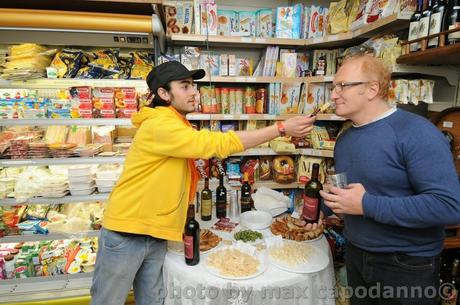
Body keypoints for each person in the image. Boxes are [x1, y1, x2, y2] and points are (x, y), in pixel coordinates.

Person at [90, 60, 316, 305]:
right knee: (108, 300)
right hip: (128, 231)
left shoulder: (175, 122)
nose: (194, 92)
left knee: (153, 299)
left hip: (154, 231)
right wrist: (280, 128)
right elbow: (218, 144)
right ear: (164, 94)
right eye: (185, 86)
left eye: (193, 86)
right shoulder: (160, 125)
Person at [320, 53, 460, 305]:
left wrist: (366, 205)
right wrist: (326, 206)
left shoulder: (417, 133)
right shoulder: (346, 139)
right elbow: (354, 192)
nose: (333, 94)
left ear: (372, 89)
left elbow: (449, 207)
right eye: (334, 87)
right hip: (356, 254)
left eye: (343, 86)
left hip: (405, 264)